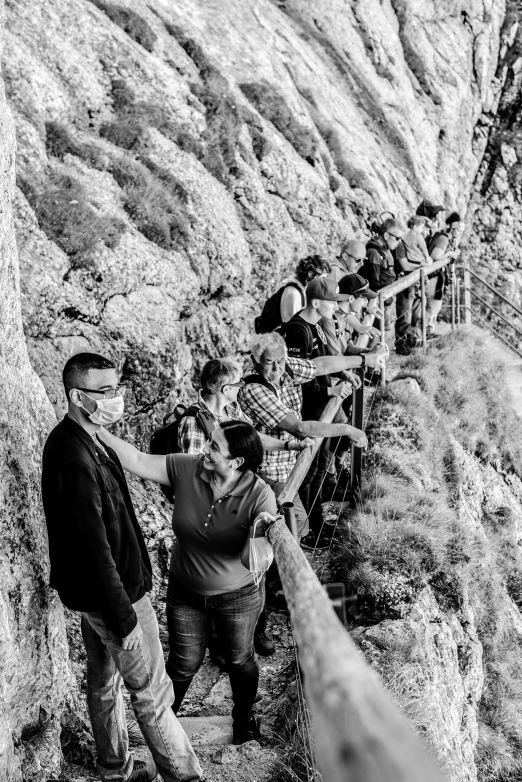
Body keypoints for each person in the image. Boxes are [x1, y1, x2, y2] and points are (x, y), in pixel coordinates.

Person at [41, 353, 202, 782]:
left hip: (96, 599)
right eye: (106, 391)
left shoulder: (84, 438)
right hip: (117, 600)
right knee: (152, 695)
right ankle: (185, 776)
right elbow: (93, 549)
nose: (117, 397)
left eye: (118, 388)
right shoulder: (75, 457)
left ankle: (115, 769)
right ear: (78, 396)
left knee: (104, 684)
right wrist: (124, 616)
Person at [98, 420, 278, 746]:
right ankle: (165, 726)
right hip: (186, 591)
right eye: (208, 442)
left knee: (239, 658)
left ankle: (243, 718)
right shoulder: (188, 468)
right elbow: (137, 459)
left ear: (236, 462)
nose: (204, 449)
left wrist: (258, 533)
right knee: (183, 663)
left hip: (237, 596)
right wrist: (93, 428)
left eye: (214, 447)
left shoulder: (259, 495)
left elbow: (257, 560)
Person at [178, 357, 312, 657]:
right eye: (238, 384)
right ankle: (223, 645)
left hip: (242, 501)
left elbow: (252, 440)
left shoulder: (232, 411)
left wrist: (289, 445)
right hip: (216, 513)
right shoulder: (193, 422)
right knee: (221, 570)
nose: (242, 387)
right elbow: (192, 474)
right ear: (225, 388)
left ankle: (253, 631)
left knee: (254, 565)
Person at [239, 330, 385, 549]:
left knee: (292, 525)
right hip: (269, 471)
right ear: (256, 361)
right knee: (293, 524)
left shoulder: (285, 366)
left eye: (280, 361)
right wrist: (347, 429)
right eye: (270, 363)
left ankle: (279, 572)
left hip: (289, 464)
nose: (277, 369)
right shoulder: (254, 390)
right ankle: (276, 577)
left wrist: (363, 360)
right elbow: (299, 428)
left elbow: (320, 366)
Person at [255, 255, 331, 333]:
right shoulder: (293, 295)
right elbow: (294, 330)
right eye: (322, 279)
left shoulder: (302, 290)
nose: (324, 283)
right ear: (311, 274)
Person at [360, 217, 406, 337]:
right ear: (386, 236)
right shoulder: (374, 253)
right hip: (377, 302)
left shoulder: (387, 250)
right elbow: (373, 283)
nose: (399, 241)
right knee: (375, 334)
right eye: (397, 238)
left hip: (385, 300)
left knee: (382, 332)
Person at [394, 215, 432, 355]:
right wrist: (421, 265)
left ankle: (412, 341)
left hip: (418, 281)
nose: (423, 229)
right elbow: (404, 265)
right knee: (405, 313)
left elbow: (426, 257)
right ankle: (401, 344)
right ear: (415, 226)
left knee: (416, 312)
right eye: (421, 226)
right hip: (407, 281)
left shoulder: (417, 239)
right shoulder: (402, 241)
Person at [425, 211, 462, 336]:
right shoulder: (443, 239)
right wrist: (450, 254)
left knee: (434, 306)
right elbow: (435, 256)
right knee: (433, 307)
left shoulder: (447, 238)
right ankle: (423, 333)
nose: (460, 231)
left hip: (436, 277)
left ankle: (428, 331)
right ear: (453, 227)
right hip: (433, 276)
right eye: (459, 228)